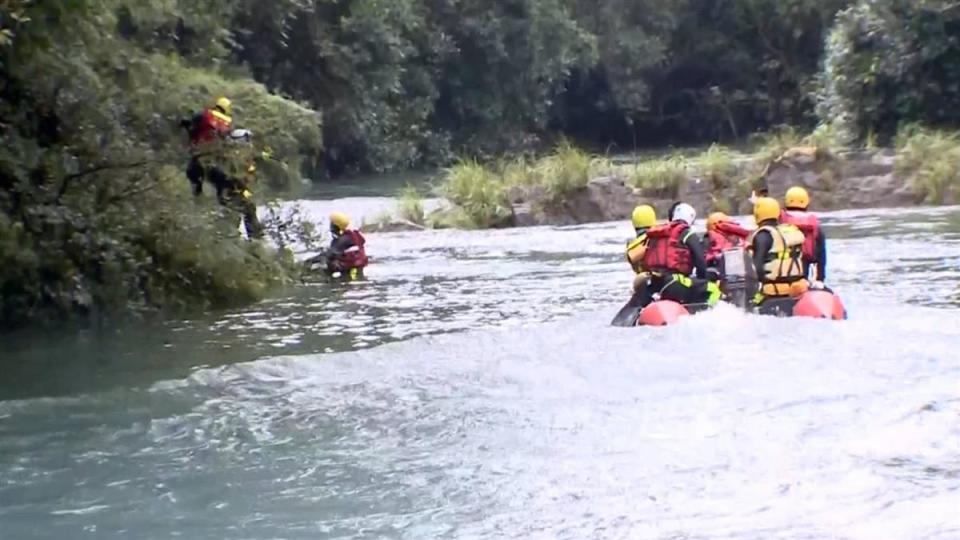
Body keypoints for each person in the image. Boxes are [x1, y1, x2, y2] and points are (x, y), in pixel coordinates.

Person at [641, 203, 721, 307]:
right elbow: (700, 263)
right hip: (674, 282)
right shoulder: (687, 234)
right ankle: (707, 313)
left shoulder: (659, 233)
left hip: (655, 283)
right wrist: (703, 279)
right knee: (712, 289)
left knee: (690, 284)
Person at [747, 197, 808, 305]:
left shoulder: (763, 235)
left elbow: (756, 269)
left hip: (774, 293)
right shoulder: (789, 231)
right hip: (798, 290)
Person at [182, 97, 234, 197]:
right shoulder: (228, 123)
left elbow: (192, 126)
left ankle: (197, 191)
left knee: (191, 173)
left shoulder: (205, 114)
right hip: (218, 157)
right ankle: (222, 197)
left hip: (200, 153)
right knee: (220, 180)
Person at [779, 186, 826, 283]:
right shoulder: (815, 226)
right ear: (806, 203)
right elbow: (822, 257)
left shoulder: (779, 221)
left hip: (780, 279)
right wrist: (820, 279)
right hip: (803, 278)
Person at [322, 212, 369, 280]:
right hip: (357, 269)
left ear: (336, 226)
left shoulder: (342, 240)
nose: (330, 226)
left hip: (351, 272)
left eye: (332, 224)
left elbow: (330, 254)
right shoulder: (352, 237)